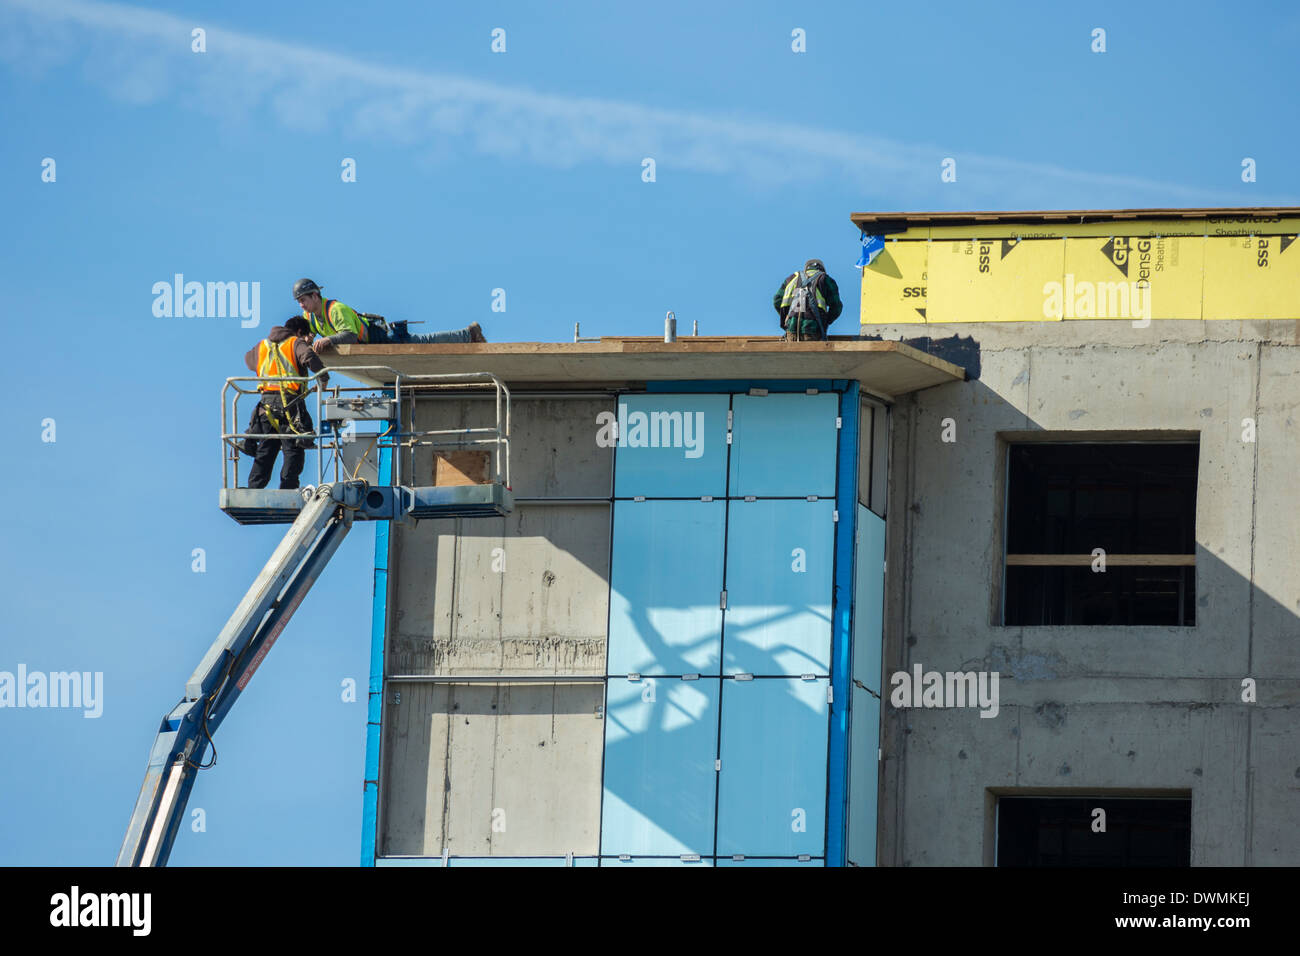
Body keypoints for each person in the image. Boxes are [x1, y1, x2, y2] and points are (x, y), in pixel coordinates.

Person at [243, 316, 327, 490]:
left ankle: (254, 488)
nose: (308, 342)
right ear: (299, 332)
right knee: (293, 449)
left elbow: (249, 360)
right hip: (289, 405)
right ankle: (288, 488)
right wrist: (323, 378)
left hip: (265, 406)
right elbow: (309, 356)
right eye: (308, 338)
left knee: (266, 449)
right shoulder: (295, 343)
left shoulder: (262, 346)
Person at [291, 278, 487, 352]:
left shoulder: (335, 309)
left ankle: (469, 334)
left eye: (304, 300)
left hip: (382, 338)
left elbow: (349, 335)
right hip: (369, 347)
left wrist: (327, 340)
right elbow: (313, 335)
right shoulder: (309, 317)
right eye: (299, 302)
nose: (302, 305)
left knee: (424, 342)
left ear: (315, 295)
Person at [773, 258, 843, 341]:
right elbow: (837, 307)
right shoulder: (825, 279)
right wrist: (826, 321)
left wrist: (787, 318)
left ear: (807, 269)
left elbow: (777, 300)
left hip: (792, 332)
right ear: (822, 270)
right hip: (813, 330)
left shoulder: (792, 278)